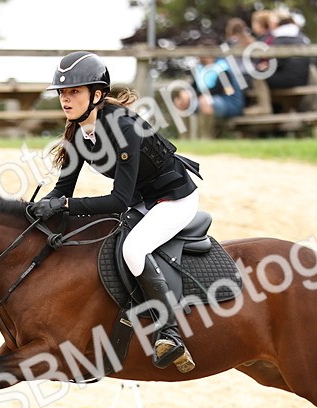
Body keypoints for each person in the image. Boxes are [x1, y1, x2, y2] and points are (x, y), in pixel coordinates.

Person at [30, 51, 201, 373]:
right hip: (141, 200)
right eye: (62, 93)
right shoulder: (78, 132)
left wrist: (64, 206)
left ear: (96, 95)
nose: (65, 99)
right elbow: (63, 189)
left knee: (133, 249)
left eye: (74, 92)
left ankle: (170, 333)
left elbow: (118, 201)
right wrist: (34, 211)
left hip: (174, 199)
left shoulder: (123, 127)